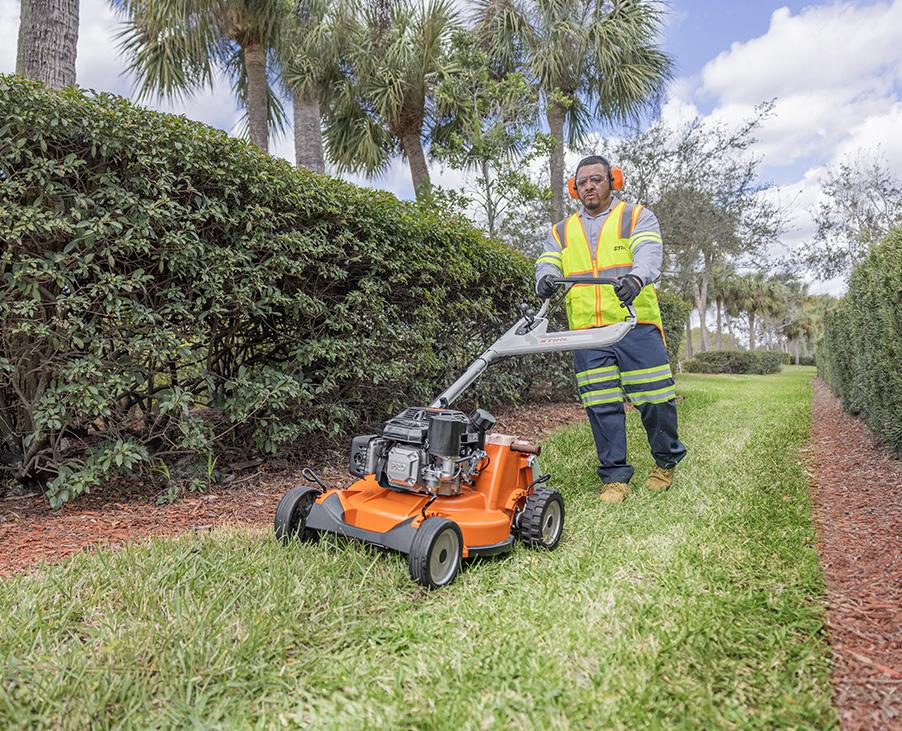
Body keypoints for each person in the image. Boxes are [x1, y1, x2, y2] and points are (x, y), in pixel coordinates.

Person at [535, 155, 687, 504]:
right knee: (601, 404)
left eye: (597, 179)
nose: (589, 186)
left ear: (613, 181)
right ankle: (615, 477)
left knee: (655, 399)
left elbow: (649, 252)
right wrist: (543, 279)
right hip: (587, 332)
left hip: (634, 324)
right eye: (582, 181)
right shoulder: (561, 231)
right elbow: (547, 261)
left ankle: (665, 461)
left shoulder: (636, 216)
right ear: (574, 187)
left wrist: (636, 277)